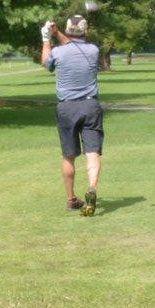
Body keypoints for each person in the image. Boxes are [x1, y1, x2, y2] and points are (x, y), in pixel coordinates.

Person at [42, 14, 105, 216]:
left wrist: (46, 38)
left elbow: (46, 62)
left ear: (68, 31)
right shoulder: (93, 51)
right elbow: (75, 46)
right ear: (86, 32)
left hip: (66, 108)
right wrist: (56, 33)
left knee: (69, 156)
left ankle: (71, 199)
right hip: (90, 106)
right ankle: (92, 187)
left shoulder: (59, 53)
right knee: (92, 152)